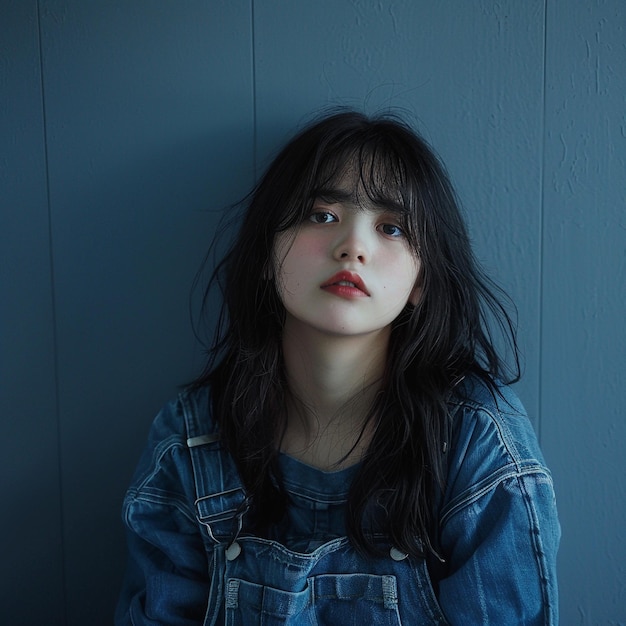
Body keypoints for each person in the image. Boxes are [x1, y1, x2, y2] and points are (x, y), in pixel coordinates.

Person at [115, 110, 560, 625]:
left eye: (391, 227)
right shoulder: (189, 446)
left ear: (422, 282)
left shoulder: (478, 447)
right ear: (266, 250)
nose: (353, 246)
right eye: (323, 215)